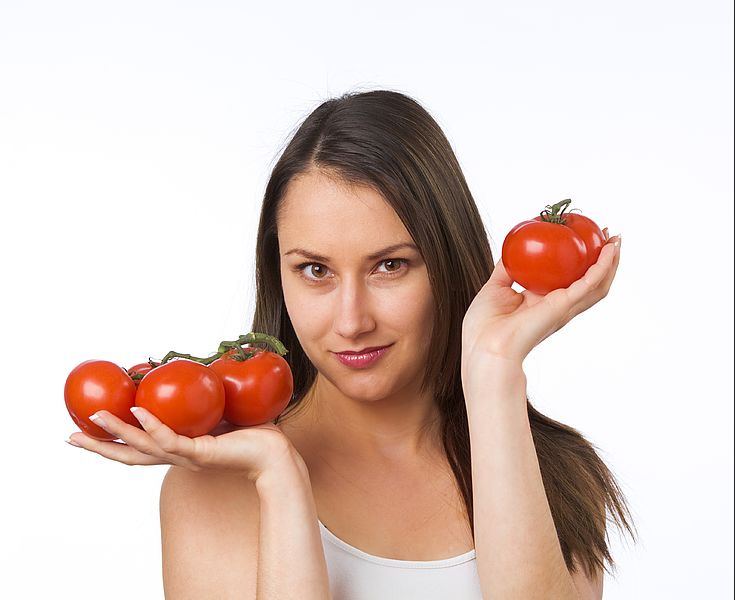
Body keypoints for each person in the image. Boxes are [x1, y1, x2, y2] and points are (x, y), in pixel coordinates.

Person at [67, 89, 634, 599]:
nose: (351, 320)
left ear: (445, 259)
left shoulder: (557, 472)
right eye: (315, 270)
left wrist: (490, 372)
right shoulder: (214, 488)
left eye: (390, 265)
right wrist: (279, 478)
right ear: (278, 272)